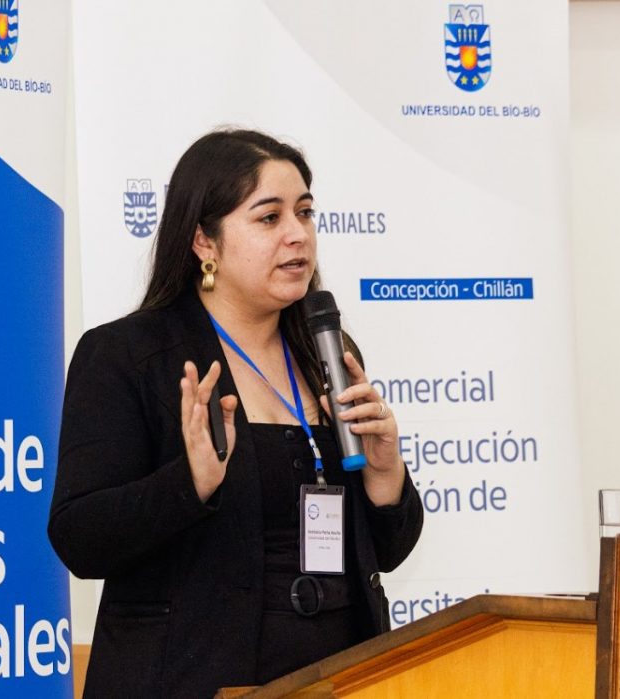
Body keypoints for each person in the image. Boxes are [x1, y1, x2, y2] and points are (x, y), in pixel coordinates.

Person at [48, 129, 423, 698]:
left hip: (341, 678)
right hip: (192, 682)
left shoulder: (327, 352)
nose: (298, 234)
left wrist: (384, 474)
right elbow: (79, 538)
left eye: (305, 212)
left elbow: (387, 553)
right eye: (269, 218)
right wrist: (189, 484)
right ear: (205, 242)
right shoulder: (129, 356)